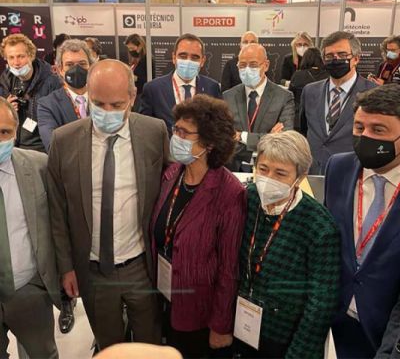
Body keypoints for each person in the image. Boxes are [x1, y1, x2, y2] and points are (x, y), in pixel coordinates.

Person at [47, 59, 170, 351]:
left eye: (116, 105)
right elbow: (57, 211)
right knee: (110, 345)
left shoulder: (154, 132)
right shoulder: (64, 140)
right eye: (98, 103)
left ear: (132, 97)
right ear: (87, 95)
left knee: (150, 341)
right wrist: (66, 267)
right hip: (92, 269)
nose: (106, 112)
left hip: (141, 265)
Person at [150, 94, 246, 358]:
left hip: (200, 313)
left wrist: (221, 325)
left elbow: (229, 268)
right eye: (176, 129)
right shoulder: (172, 174)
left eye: (184, 132)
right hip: (165, 298)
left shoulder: (229, 193)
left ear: (210, 143)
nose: (176, 137)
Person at [235, 130, 340, 359]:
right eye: (263, 169)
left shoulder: (319, 227)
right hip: (240, 326)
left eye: (280, 173)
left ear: (300, 177)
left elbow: (320, 305)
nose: (268, 179)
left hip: (284, 337)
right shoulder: (247, 199)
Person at [325, 84, 400, 358]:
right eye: (359, 128)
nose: (365, 137)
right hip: (332, 327)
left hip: (383, 334)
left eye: (378, 130)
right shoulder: (338, 167)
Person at [0, 97, 60, 358]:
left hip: (29, 289)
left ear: (16, 132)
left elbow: (58, 224)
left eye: (4, 132)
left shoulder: (39, 166)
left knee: (42, 354)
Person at [300, 31, 376, 175]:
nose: (335, 60)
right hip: (312, 172)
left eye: (342, 55)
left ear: (356, 58)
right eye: (329, 56)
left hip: (352, 174)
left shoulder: (373, 93)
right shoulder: (310, 91)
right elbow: (303, 130)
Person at [223, 43, 295, 172]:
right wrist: (269, 137)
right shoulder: (228, 96)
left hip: (270, 169)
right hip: (234, 169)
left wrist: (242, 136)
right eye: (242, 65)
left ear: (266, 65)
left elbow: (283, 139)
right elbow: (224, 139)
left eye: (253, 65)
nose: (247, 70)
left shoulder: (284, 97)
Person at [140, 33, 221, 135]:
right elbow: (145, 128)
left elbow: (218, 126)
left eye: (195, 57)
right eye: (183, 56)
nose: (188, 61)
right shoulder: (153, 89)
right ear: (174, 57)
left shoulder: (212, 87)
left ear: (202, 61)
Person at [0, 33, 62, 152]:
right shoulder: (5, 81)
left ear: (31, 55)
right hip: (12, 147)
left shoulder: (51, 81)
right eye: (11, 57)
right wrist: (6, 111)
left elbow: (59, 120)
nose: (16, 63)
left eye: (21, 56)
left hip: (42, 148)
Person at [38, 39, 94, 153]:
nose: (77, 69)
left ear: (91, 66)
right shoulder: (47, 105)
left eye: (82, 64)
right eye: (69, 65)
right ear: (60, 69)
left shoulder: (106, 98)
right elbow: (53, 147)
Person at [289, 47, 329, 131]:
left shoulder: (298, 75)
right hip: (323, 119)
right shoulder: (329, 75)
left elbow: (290, 96)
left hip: (299, 119)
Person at [124, 34, 155, 112]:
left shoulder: (147, 59)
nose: (130, 51)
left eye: (132, 48)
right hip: (134, 94)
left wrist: (134, 77)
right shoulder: (135, 60)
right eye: (129, 48)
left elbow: (150, 79)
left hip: (142, 95)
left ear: (140, 46)